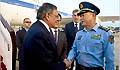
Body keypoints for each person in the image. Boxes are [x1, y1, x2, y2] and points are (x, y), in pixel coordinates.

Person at [21, 3, 71, 70]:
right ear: (48, 16)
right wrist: (65, 65)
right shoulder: (39, 34)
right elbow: (46, 66)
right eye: (56, 16)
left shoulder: (38, 27)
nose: (57, 19)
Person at [67, 1, 114, 70]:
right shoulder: (79, 33)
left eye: (83, 15)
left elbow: (109, 59)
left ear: (93, 15)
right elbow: (74, 49)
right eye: (80, 15)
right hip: (79, 67)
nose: (81, 18)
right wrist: (69, 59)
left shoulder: (106, 33)